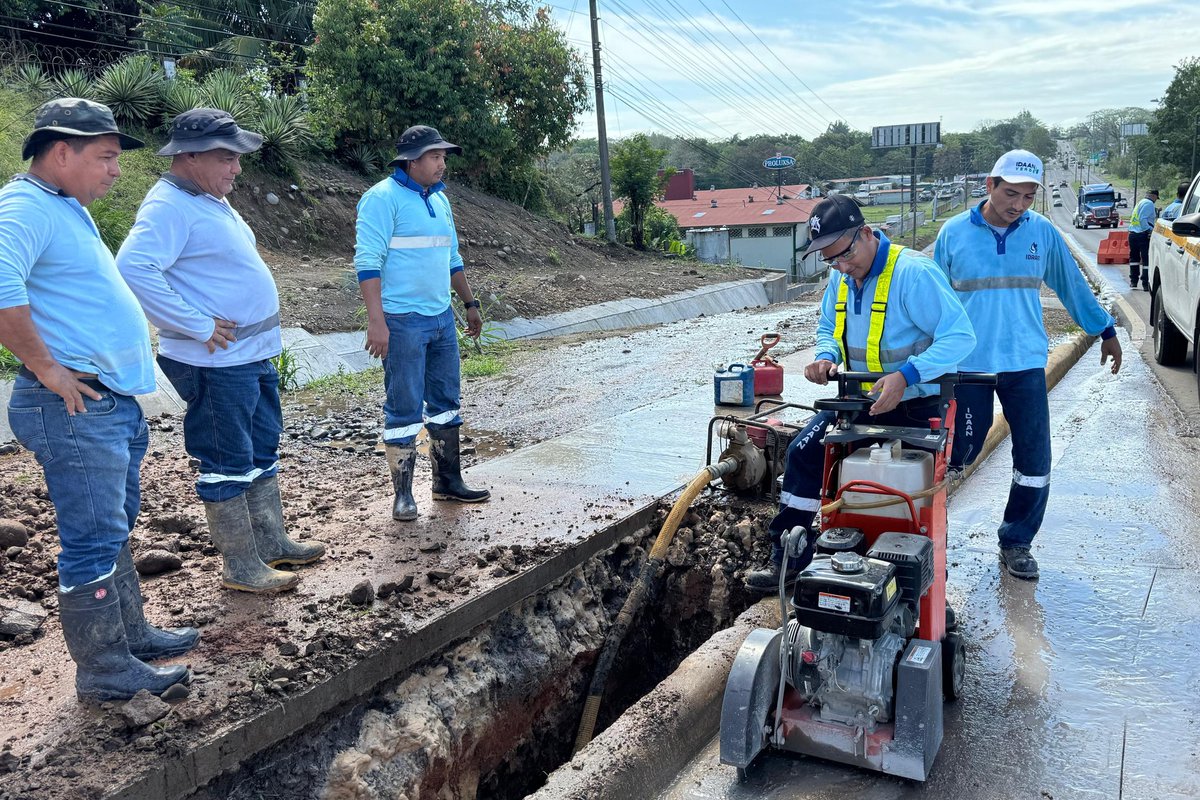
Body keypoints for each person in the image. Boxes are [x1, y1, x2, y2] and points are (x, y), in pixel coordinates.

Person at [0, 98, 195, 701]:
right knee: (91, 536)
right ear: (62, 152)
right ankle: (105, 670)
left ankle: (130, 636)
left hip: (108, 403)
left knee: (112, 527)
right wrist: (47, 369)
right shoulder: (23, 206)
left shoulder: (63, 208)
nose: (116, 171)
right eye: (106, 158)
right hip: (72, 404)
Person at [116, 108, 324, 594]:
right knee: (226, 456)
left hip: (248, 355)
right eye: (226, 158)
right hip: (215, 362)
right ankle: (240, 565)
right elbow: (134, 266)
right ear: (189, 156)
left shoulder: (206, 199)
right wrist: (195, 324)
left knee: (259, 446)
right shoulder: (169, 204)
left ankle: (270, 542)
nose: (237, 168)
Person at [745, 194, 976, 592]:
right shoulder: (840, 276)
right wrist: (825, 356)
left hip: (915, 405)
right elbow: (826, 329)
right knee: (803, 453)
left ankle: (927, 581)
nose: (840, 266)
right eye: (830, 259)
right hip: (862, 401)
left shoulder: (914, 273)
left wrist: (907, 375)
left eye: (845, 255)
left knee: (907, 489)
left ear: (866, 233)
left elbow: (961, 337)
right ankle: (790, 561)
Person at [934, 149, 1122, 580]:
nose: (1018, 204)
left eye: (1027, 196)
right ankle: (929, 530)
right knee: (959, 452)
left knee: (1035, 460)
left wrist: (1106, 331)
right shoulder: (953, 234)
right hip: (968, 367)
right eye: (1010, 193)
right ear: (990, 186)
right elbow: (934, 304)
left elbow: (1072, 287)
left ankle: (1016, 540)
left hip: (1024, 362)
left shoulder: (1042, 234)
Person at [355, 125, 490, 520]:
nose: (442, 164)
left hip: (441, 319)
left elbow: (451, 258)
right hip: (402, 322)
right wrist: (376, 322)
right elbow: (367, 263)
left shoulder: (441, 201)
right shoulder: (381, 199)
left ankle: (447, 482)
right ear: (411, 161)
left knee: (446, 403)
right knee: (404, 407)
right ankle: (402, 495)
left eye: (444, 157)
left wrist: (469, 303)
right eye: (435, 157)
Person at [1128, 188, 1159, 291]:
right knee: (1146, 260)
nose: (1156, 200)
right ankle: (1145, 283)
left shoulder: (1140, 202)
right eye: (1156, 198)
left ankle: (1133, 281)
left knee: (1134, 259)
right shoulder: (1149, 204)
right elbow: (1142, 219)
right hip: (1143, 234)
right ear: (1154, 196)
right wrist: (1150, 229)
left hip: (1133, 234)